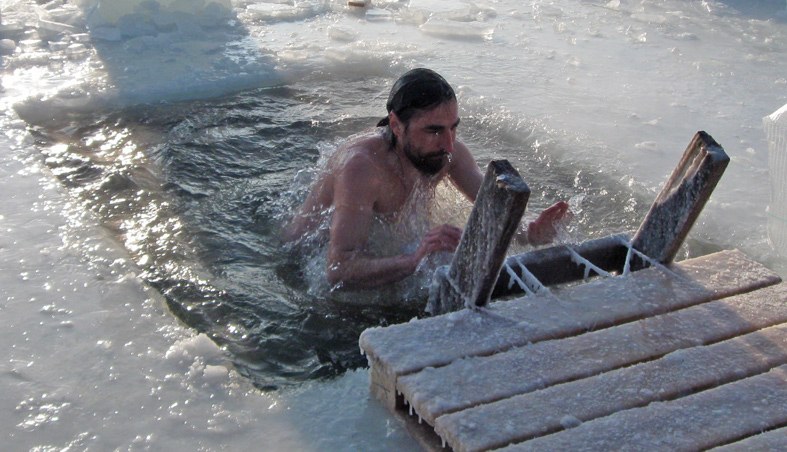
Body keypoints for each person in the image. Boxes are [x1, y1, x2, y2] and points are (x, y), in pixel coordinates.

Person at [283, 68, 570, 290]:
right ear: (396, 125)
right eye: (434, 131)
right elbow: (337, 269)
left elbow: (494, 209)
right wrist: (413, 260)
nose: (449, 144)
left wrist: (530, 232)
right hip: (301, 259)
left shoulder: (448, 154)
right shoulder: (362, 168)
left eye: (453, 128)